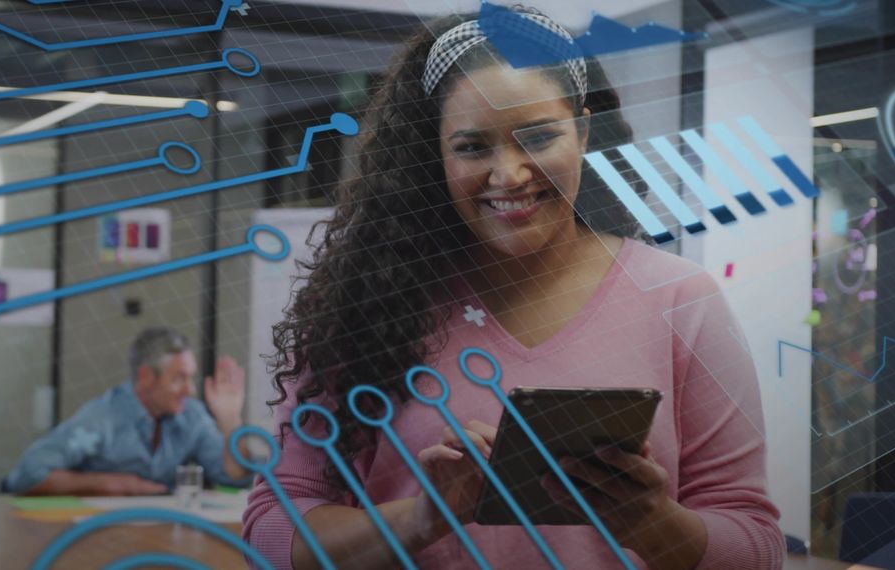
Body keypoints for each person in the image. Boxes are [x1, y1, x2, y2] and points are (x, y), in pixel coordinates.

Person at [243, 5, 784, 569]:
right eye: (473, 147)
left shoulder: (681, 300)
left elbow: (758, 548)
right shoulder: (368, 304)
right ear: (436, 154)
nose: (510, 175)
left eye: (539, 137)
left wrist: (651, 522)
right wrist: (422, 519)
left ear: (584, 131)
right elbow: (273, 531)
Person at [4, 327, 252, 496]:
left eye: (191, 378)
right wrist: (109, 484)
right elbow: (27, 475)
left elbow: (235, 478)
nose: (190, 390)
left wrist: (229, 421)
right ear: (145, 377)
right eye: (179, 379)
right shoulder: (102, 418)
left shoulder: (192, 416)